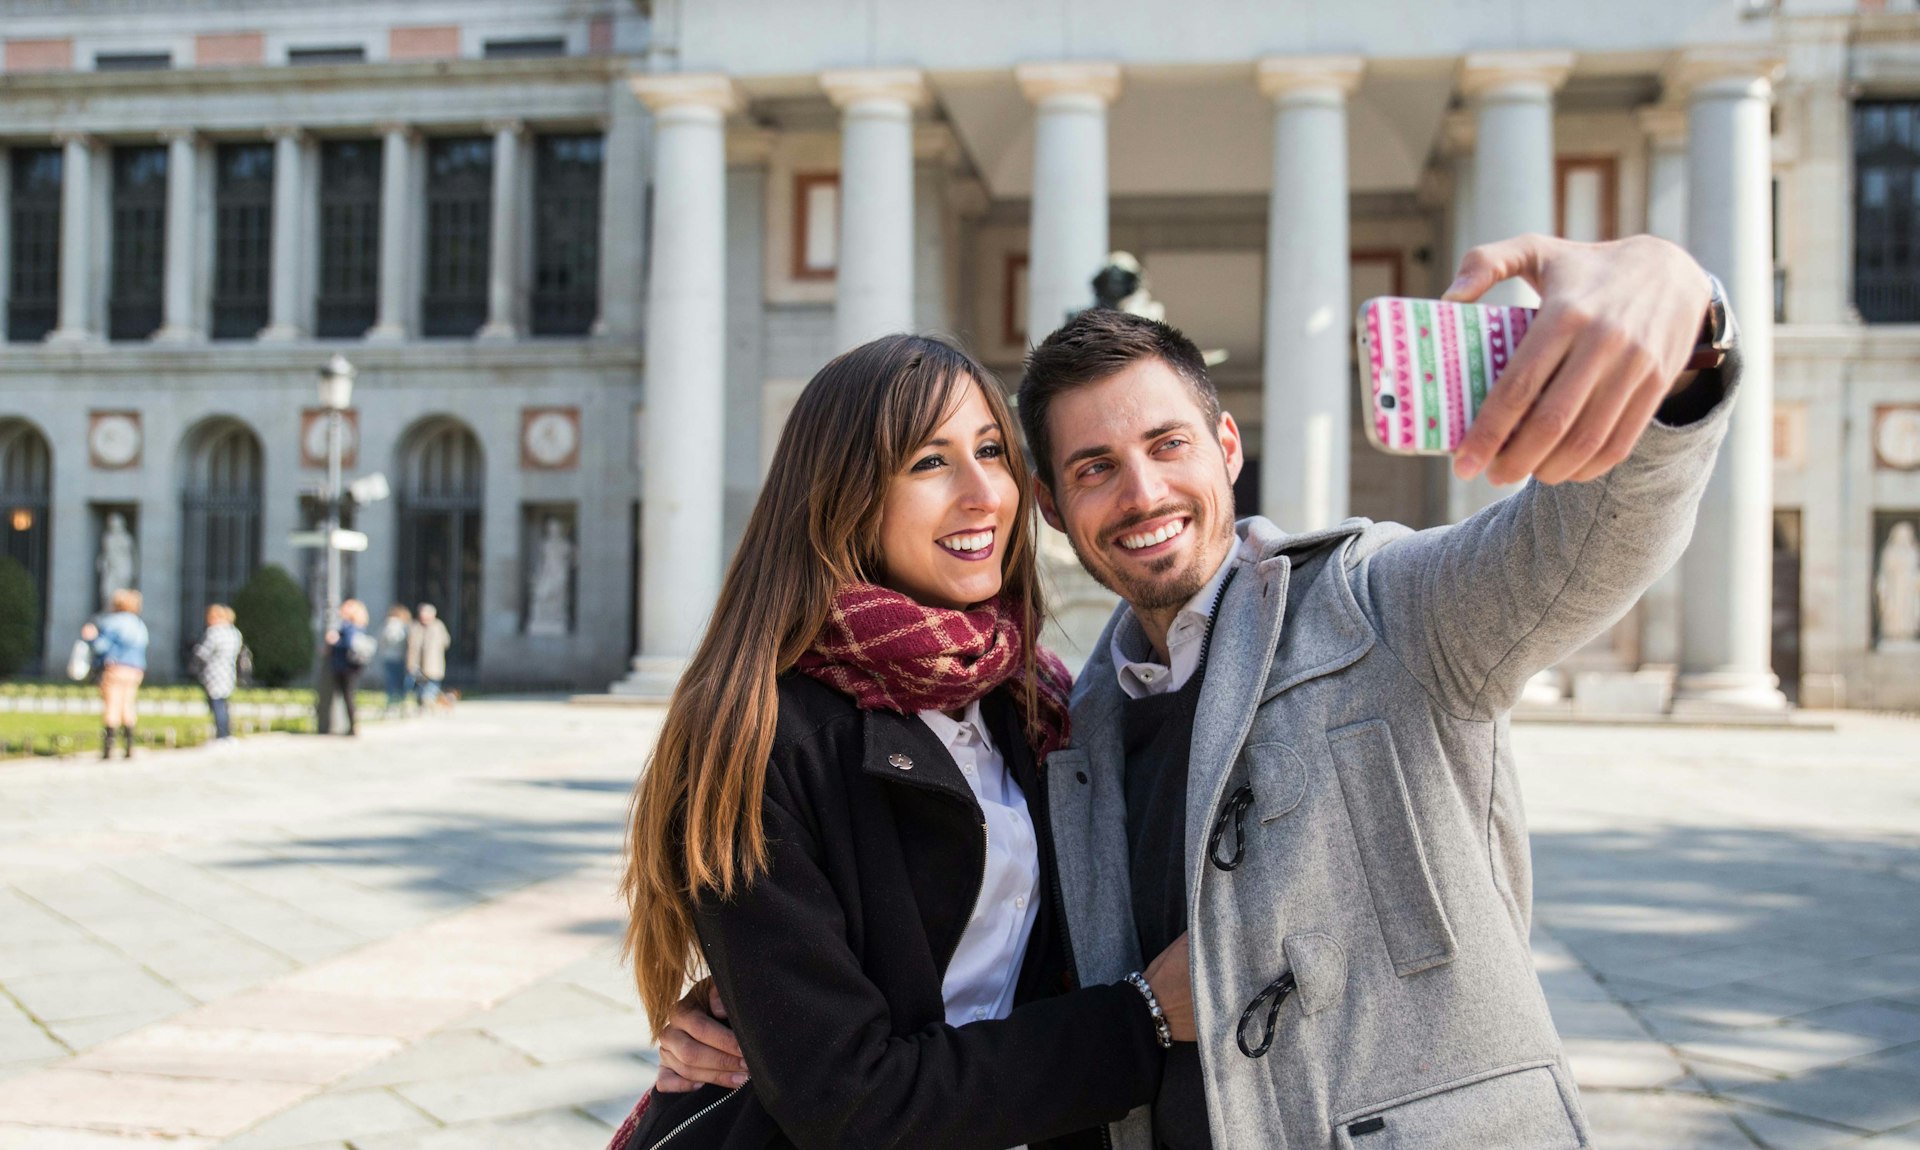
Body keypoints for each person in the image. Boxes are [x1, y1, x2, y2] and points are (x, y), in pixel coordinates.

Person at [658, 233, 1742, 1149]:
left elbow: (1589, 542)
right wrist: (758, 1005)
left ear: (1228, 448)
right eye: (1091, 467)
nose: (1141, 492)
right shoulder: (1061, 718)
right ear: (1056, 502)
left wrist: (1681, 316)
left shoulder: (1384, 606)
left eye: (1167, 444)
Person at [612, 334, 1193, 1150]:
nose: (983, 494)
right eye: (929, 462)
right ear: (845, 494)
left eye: (991, 451)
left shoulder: (1034, 698)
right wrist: (1142, 1020)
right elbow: (846, 1101)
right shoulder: (762, 736)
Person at [81, 588, 149, 760]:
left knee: (112, 704)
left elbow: (101, 647)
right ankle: (129, 746)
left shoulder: (112, 622)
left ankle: (108, 747)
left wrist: (91, 638)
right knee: (128, 704)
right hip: (135, 669)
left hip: (115, 667)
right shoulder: (139, 624)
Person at [190, 604, 243, 743]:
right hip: (228, 671)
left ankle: (221, 734)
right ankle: (227, 733)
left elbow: (202, 653)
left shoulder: (214, 632)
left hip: (214, 672)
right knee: (224, 704)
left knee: (216, 704)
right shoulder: (234, 633)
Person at [323, 599, 373, 736]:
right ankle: (351, 725)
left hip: (345, 666)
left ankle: (352, 726)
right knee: (348, 696)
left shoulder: (349, 626)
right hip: (350, 666)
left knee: (347, 696)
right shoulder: (359, 625)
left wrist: (335, 641)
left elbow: (348, 643)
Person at [406, 604, 451, 707]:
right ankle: (422, 702)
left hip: (433, 662)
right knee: (419, 685)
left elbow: (446, 642)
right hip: (417, 664)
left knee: (432, 684)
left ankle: (429, 700)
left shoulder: (438, 626)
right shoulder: (415, 626)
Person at [377, 604, 413, 713]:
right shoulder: (405, 626)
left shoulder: (387, 625)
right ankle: (401, 703)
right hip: (402, 657)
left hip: (389, 657)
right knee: (401, 682)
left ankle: (392, 704)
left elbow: (381, 640)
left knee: (391, 682)